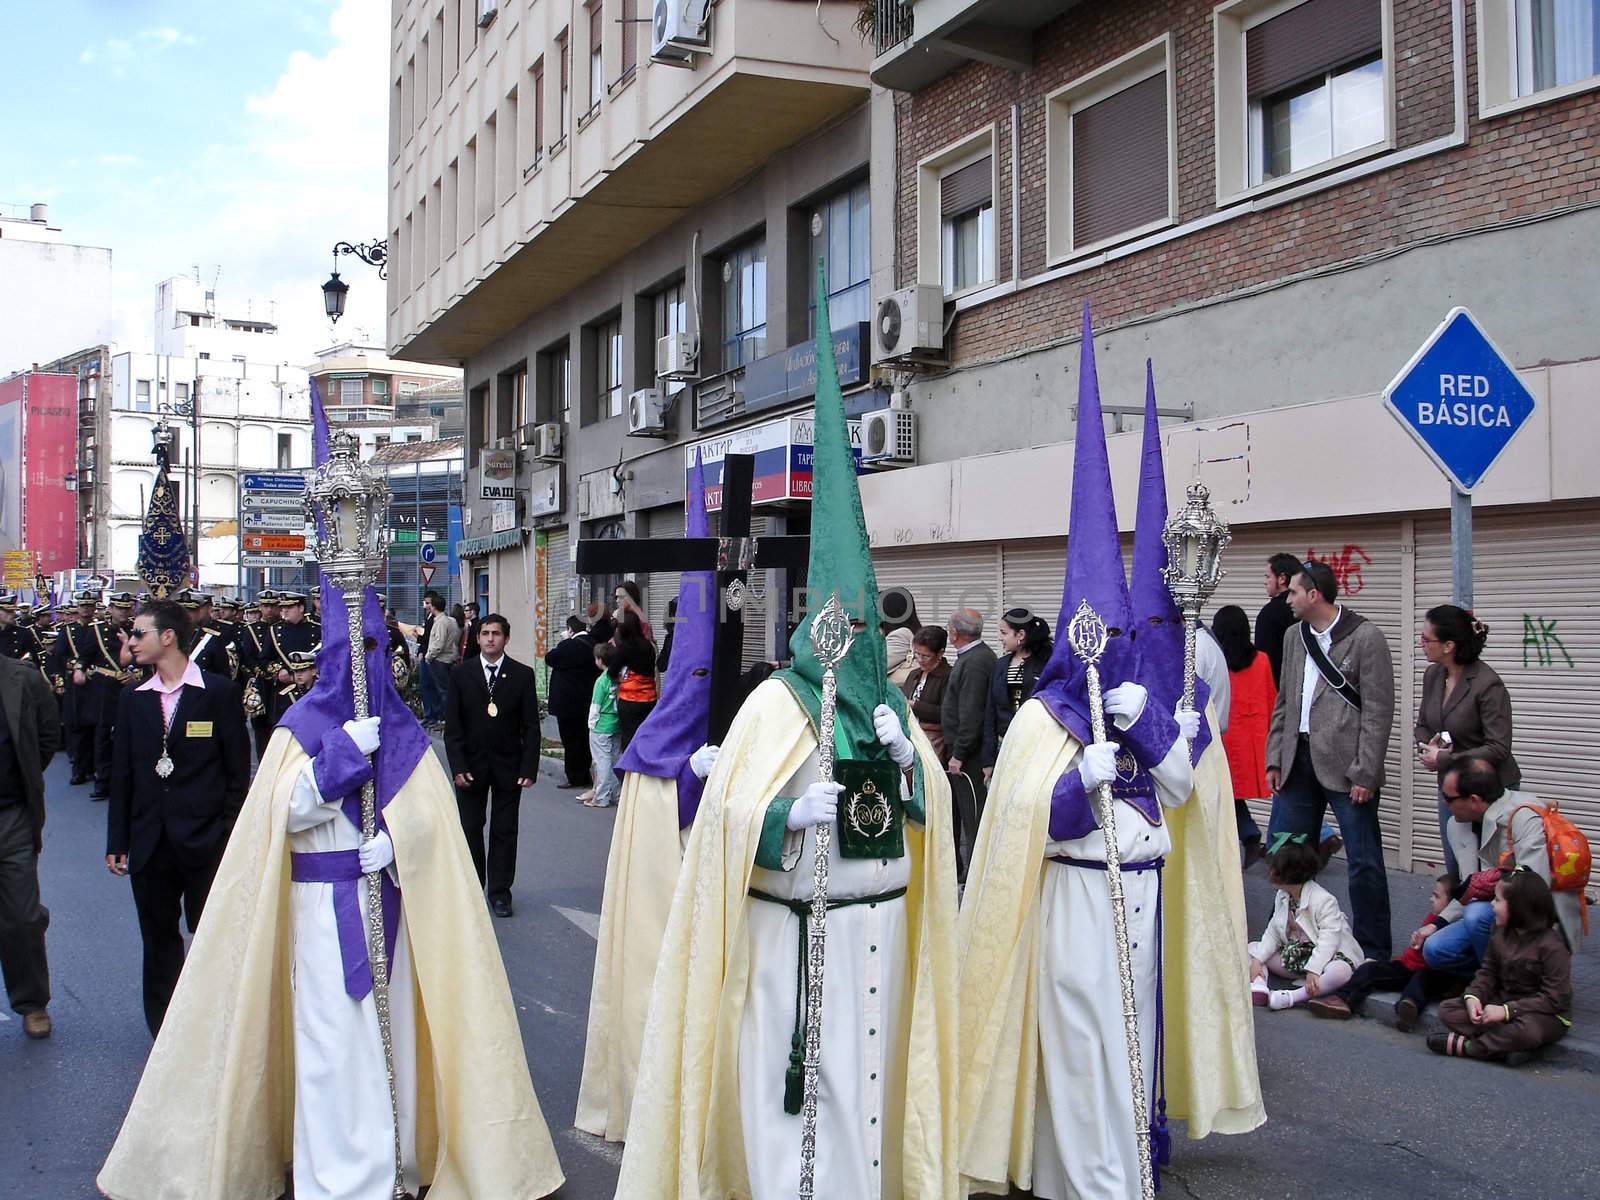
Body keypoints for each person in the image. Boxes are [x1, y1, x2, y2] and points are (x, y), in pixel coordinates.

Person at [615, 281, 958, 1200]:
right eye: (833, 624)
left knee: (869, 1107)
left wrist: (901, 757)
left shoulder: (886, 704)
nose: (849, 644)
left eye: (862, 627)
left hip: (876, 940)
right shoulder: (772, 708)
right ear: (812, 628)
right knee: (798, 1109)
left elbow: (933, 817)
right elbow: (724, 817)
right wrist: (781, 813)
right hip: (797, 940)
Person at [956, 319, 1254, 1199]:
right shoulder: (1047, 716)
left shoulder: (1151, 704)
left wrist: (1153, 727)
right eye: (1114, 632)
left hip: (1145, 893)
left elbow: (1180, 789)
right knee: (1084, 1038)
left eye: (1134, 633)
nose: (1125, 645)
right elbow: (1022, 830)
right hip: (1081, 892)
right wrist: (1076, 789)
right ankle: (1088, 1181)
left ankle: (1125, 1167)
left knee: (1131, 1047)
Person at [577, 454, 721, 1142]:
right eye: (691, 673)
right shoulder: (649, 761)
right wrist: (690, 775)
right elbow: (660, 847)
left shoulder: (731, 724)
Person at [105, 599, 251, 1036]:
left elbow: (235, 773)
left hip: (205, 840)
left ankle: (215, 1026)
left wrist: (227, 833)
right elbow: (124, 774)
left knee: (211, 938)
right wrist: (118, 841)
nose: (131, 641)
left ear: (167, 637)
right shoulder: (133, 699)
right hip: (151, 841)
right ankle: (166, 1029)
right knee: (158, 938)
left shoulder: (218, 693)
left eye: (139, 634)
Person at [1265, 558, 1396, 962]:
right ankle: (1293, 941)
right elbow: (1284, 700)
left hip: (1348, 765)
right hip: (1297, 759)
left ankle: (1372, 950)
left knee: (1363, 861)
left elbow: (1378, 711)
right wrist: (1275, 756)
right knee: (1288, 854)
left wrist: (1367, 772)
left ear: (1314, 595)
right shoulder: (1293, 637)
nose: (1287, 598)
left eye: (1294, 592)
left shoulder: (1365, 637)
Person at [1420, 758, 1585, 976]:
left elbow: (1534, 886)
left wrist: (1489, 884)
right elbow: (1471, 889)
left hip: (1532, 919)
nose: (1444, 803)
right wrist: (1438, 923)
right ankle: (1500, 977)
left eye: (1448, 799)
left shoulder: (1524, 816)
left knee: (1476, 914)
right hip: (1492, 915)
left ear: (1474, 800)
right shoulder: (1457, 825)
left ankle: (1508, 985)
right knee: (1434, 949)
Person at [443, 614, 540, 918]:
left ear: (506, 639)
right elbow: (453, 727)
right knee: (471, 828)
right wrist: (457, 766)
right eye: (485, 633)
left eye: (496, 634)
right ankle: (473, 889)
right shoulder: (461, 674)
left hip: (508, 767)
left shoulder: (522, 675)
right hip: (471, 767)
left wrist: (528, 768)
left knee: (504, 831)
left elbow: (531, 726)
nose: (489, 639)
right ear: (478, 638)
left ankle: (500, 893)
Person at [1414, 603, 1519, 880]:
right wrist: (1427, 748)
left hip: (1488, 791)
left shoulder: (1487, 684)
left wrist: (1445, 759)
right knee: (1457, 867)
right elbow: (1424, 724)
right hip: (1451, 787)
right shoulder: (1433, 675)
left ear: (1449, 645)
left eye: (1426, 639)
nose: (1421, 643)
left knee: (1488, 874)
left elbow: (1498, 747)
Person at [1431, 869, 1572, 1061]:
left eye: (1497, 900)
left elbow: (1554, 999)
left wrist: (1506, 1011)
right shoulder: (1499, 931)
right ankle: (1506, 1048)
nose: (1492, 905)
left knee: (1528, 1031)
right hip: (1503, 1004)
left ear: (1519, 908)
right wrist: (1473, 997)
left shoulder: (1552, 946)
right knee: (1448, 1011)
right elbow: (1488, 972)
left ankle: (1471, 1047)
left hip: (1541, 1013)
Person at [0, 650, 61, 1039]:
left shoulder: (23, 678)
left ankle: (32, 1003)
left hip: (11, 815)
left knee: (22, 916)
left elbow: (47, 738)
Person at [1310, 874, 1461, 1026]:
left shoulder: (1455, 928)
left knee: (1420, 982)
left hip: (1431, 972)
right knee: (1370, 969)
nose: (1431, 899)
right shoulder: (1432, 918)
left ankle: (1408, 1009)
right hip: (1408, 966)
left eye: (1436, 896)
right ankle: (1342, 998)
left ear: (1452, 905)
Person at [1247, 834, 1362, 1011]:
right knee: (1252, 948)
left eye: (1275, 870)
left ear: (1290, 875)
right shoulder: (1283, 895)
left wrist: (1314, 969)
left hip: (1326, 958)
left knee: (1342, 972)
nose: (1269, 874)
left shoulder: (1324, 900)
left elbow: (1328, 940)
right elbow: (1273, 932)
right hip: (1297, 957)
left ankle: (1293, 997)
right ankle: (1259, 984)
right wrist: (1258, 960)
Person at [1213, 603, 1276, 865]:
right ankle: (1253, 836)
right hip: (1254, 738)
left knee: (1223, 793)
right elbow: (1272, 699)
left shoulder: (1217, 661)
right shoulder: (1261, 660)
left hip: (1225, 737)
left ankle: (1247, 836)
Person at [941, 606, 996, 875]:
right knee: (967, 815)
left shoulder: (975, 662)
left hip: (970, 757)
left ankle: (975, 876)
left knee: (973, 817)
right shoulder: (978, 657)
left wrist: (959, 753)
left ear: (954, 633)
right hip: (968, 752)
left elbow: (971, 713)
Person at [981, 606, 1050, 775]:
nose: (999, 638)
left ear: (1020, 635)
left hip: (1036, 747)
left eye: (1004, 633)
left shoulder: (1045, 663)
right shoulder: (1001, 664)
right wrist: (988, 759)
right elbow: (991, 711)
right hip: (1004, 745)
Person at [546, 615, 600, 791]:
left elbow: (550, 658)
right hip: (587, 700)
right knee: (584, 739)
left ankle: (574, 776)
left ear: (570, 629)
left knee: (570, 741)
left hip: (567, 702)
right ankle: (585, 774)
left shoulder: (567, 645)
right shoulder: (594, 643)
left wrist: (563, 642)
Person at [267, 591, 321, 723]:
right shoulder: (275, 630)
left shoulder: (317, 628)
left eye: (289, 608)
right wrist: (279, 671)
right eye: (282, 608)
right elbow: (264, 659)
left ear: (301, 608)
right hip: (286, 691)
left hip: (314, 687)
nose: (284, 611)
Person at [609, 609, 658, 753]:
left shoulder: (625, 648)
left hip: (630, 700)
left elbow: (612, 671)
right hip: (649, 698)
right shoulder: (648, 646)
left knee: (630, 738)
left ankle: (630, 772)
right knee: (646, 737)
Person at [901, 625, 951, 764]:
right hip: (910, 738)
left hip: (933, 741)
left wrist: (915, 705)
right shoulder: (914, 674)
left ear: (940, 653)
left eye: (926, 656)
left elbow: (946, 713)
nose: (920, 659)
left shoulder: (948, 676)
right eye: (917, 654)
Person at [1254, 552, 1302, 685]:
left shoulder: (1269, 613)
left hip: (1278, 688)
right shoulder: (1306, 609)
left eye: (1268, 577)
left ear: (1281, 579)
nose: (1265, 582)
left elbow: (1264, 658)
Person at [584, 644, 621, 808]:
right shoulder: (618, 677)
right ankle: (617, 793)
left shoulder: (601, 681)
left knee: (602, 762)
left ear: (599, 660)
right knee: (614, 759)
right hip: (616, 723)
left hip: (601, 725)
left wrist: (591, 724)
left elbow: (596, 705)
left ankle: (602, 797)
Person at [419, 590, 459, 727]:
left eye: (429, 604)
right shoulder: (449, 621)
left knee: (442, 691)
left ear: (434, 607)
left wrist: (428, 656)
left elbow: (438, 643)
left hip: (440, 660)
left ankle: (445, 719)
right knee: (443, 690)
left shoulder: (441, 622)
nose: (427, 606)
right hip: (446, 658)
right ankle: (445, 718)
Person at [0, 592, 43, 664]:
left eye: (13, 611)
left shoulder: (23, 633)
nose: (13, 614)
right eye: (9, 611)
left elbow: (34, 662)